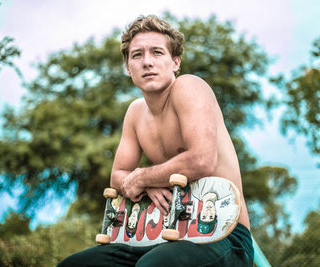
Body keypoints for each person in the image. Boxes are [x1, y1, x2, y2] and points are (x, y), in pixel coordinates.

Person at [58, 15, 254, 266]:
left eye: (157, 53)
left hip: (221, 234)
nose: (147, 62)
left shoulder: (189, 86)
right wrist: (146, 183)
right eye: (137, 55)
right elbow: (118, 177)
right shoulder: (135, 113)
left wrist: (141, 177)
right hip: (163, 236)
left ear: (175, 62)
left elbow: (201, 160)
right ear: (128, 68)